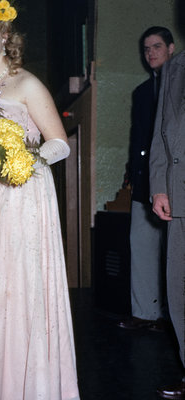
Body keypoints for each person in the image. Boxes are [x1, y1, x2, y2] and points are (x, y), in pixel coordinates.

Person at [0, 1, 80, 399]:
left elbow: (60, 144)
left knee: (16, 295)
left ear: (5, 35)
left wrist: (22, 160)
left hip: (21, 200)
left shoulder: (27, 84)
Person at [118, 27, 175, 331]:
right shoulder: (141, 92)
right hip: (144, 183)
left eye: (156, 46)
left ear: (171, 48)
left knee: (173, 252)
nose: (150, 53)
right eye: (146, 49)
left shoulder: (180, 87)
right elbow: (138, 138)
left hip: (174, 183)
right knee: (140, 243)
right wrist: (132, 172)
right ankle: (144, 313)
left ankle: (170, 317)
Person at [149, 30, 185, 400]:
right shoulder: (174, 68)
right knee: (178, 292)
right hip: (179, 199)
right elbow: (160, 133)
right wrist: (159, 184)